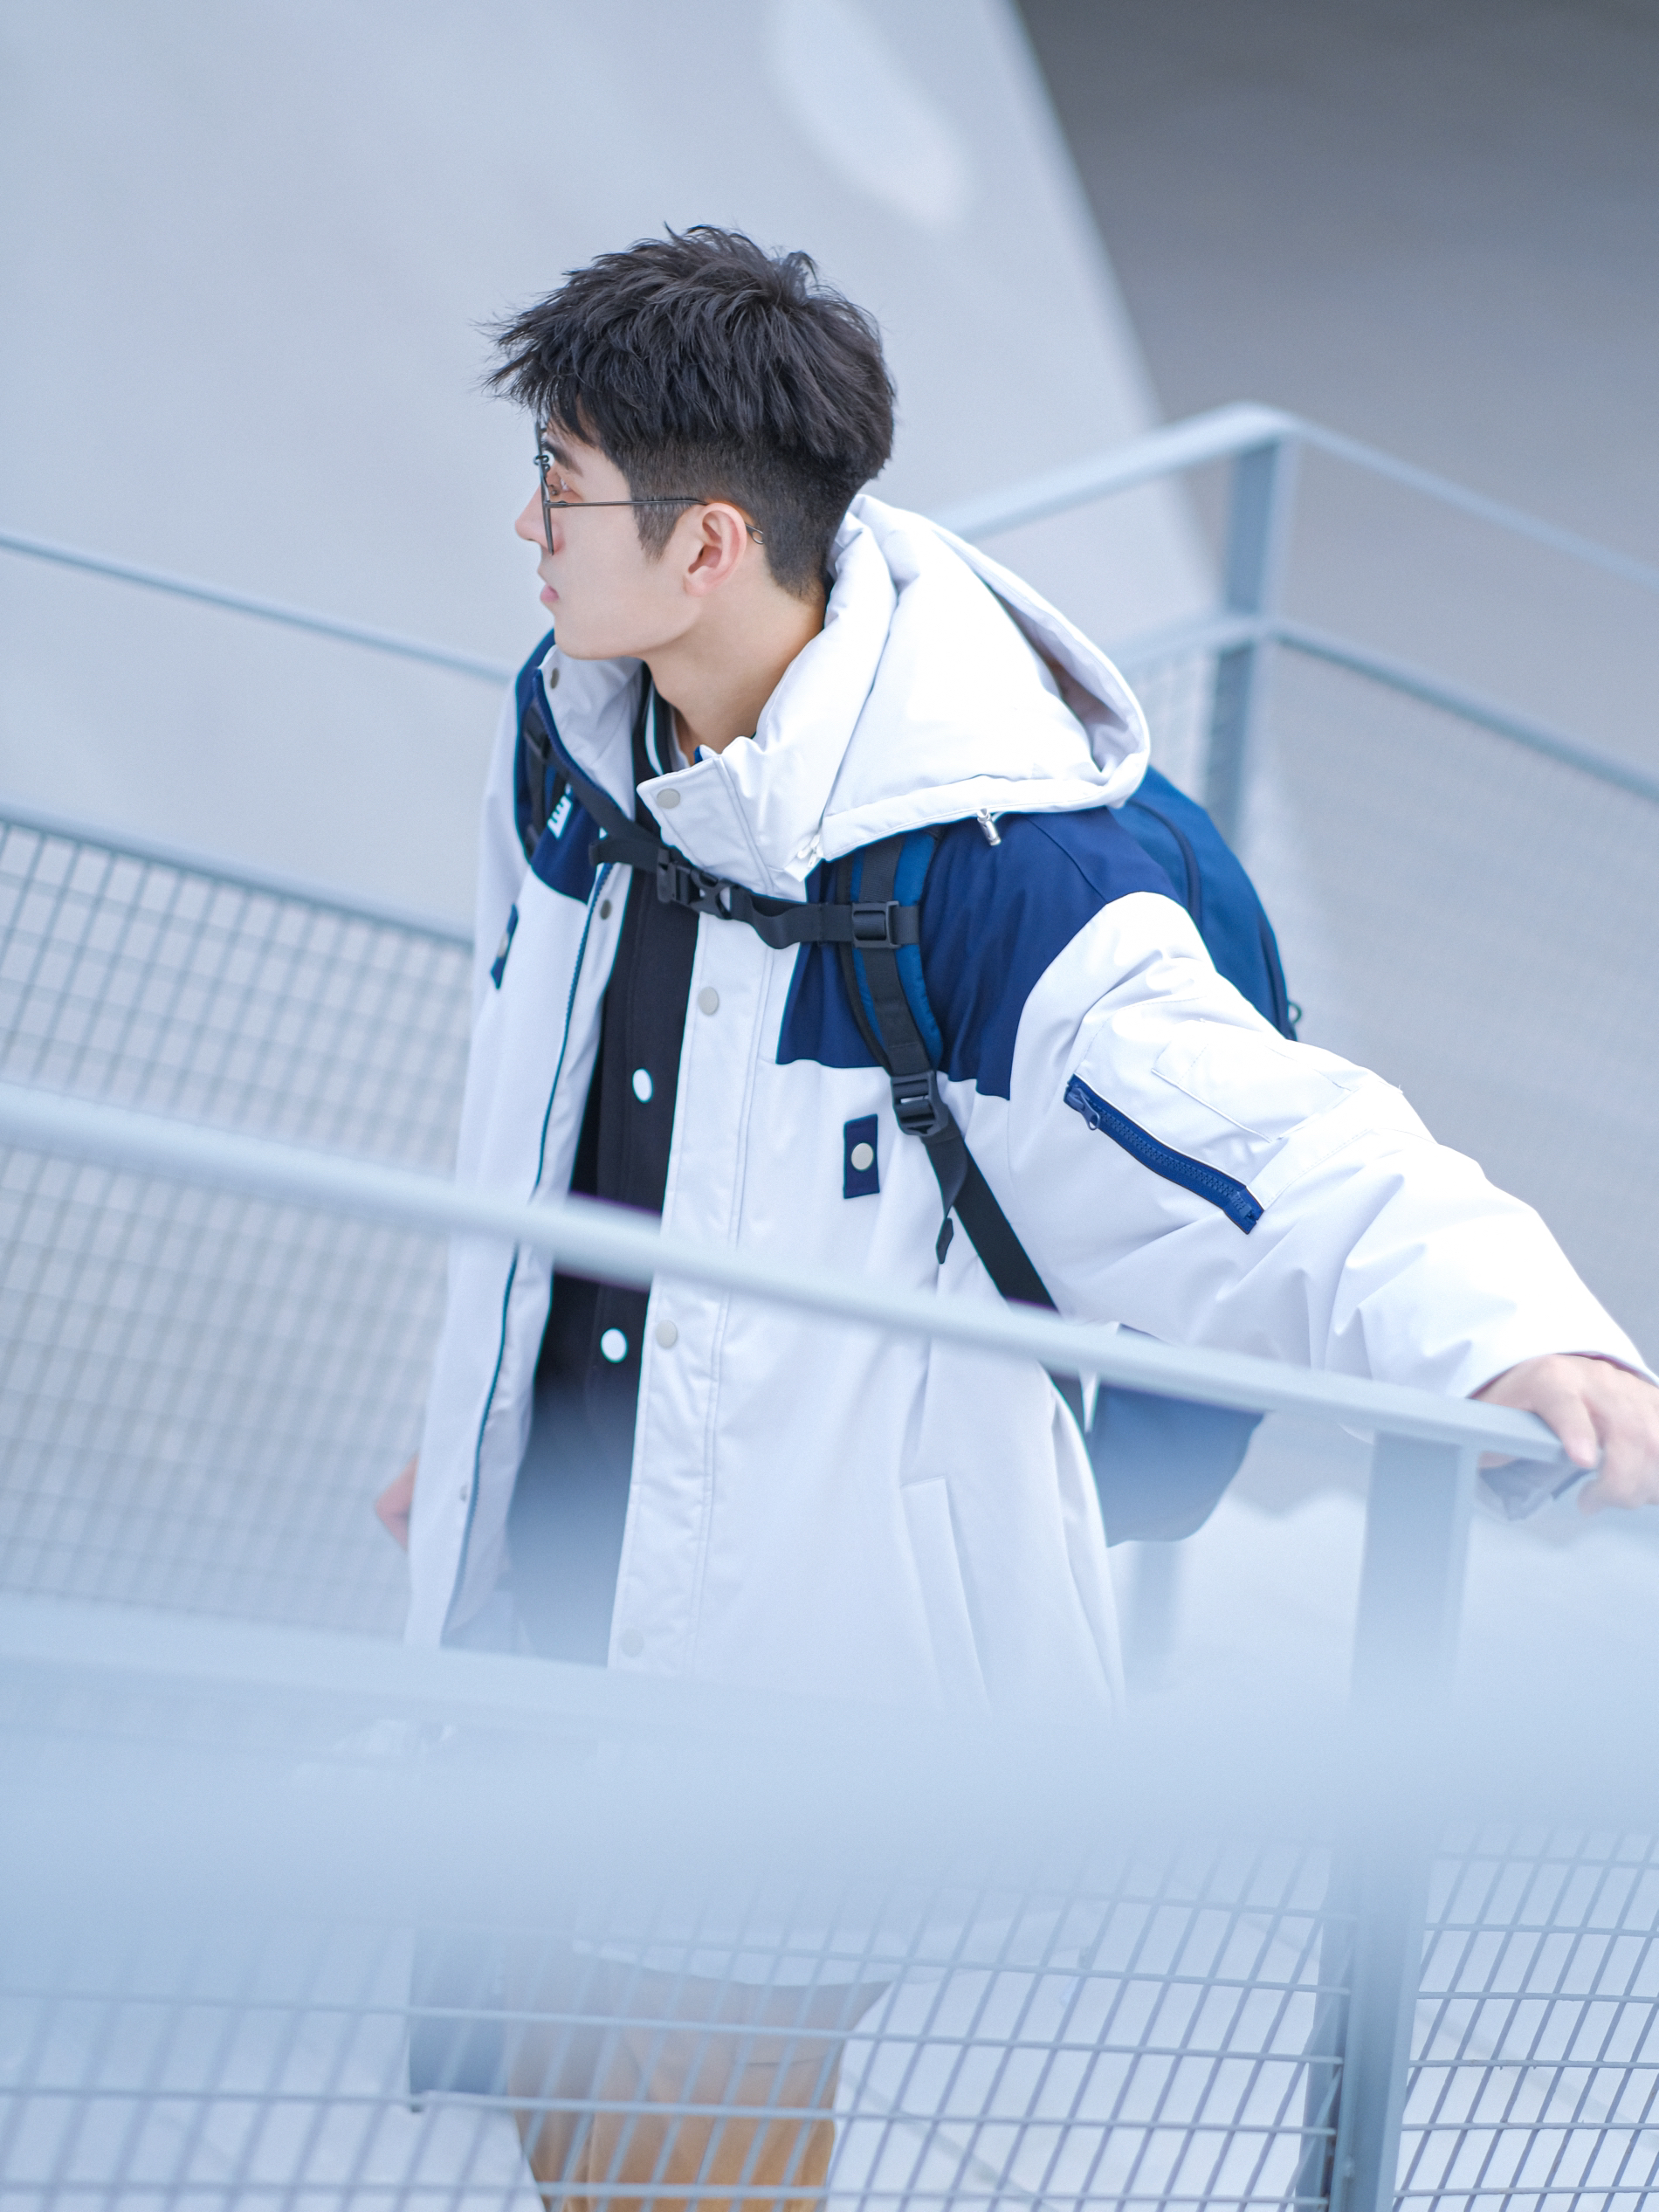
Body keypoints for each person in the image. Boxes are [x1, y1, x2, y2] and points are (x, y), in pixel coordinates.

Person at [375, 225, 1659, 2204]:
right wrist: (480, 1418)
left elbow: (1276, 1142)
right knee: (561, 2111)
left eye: (564, 483)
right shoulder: (570, 739)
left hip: (785, 1665)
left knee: (689, 2154)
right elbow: (535, 1114)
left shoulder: (987, 870)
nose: (528, 526)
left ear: (708, 544)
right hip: (551, 1607)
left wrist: (1513, 1325)